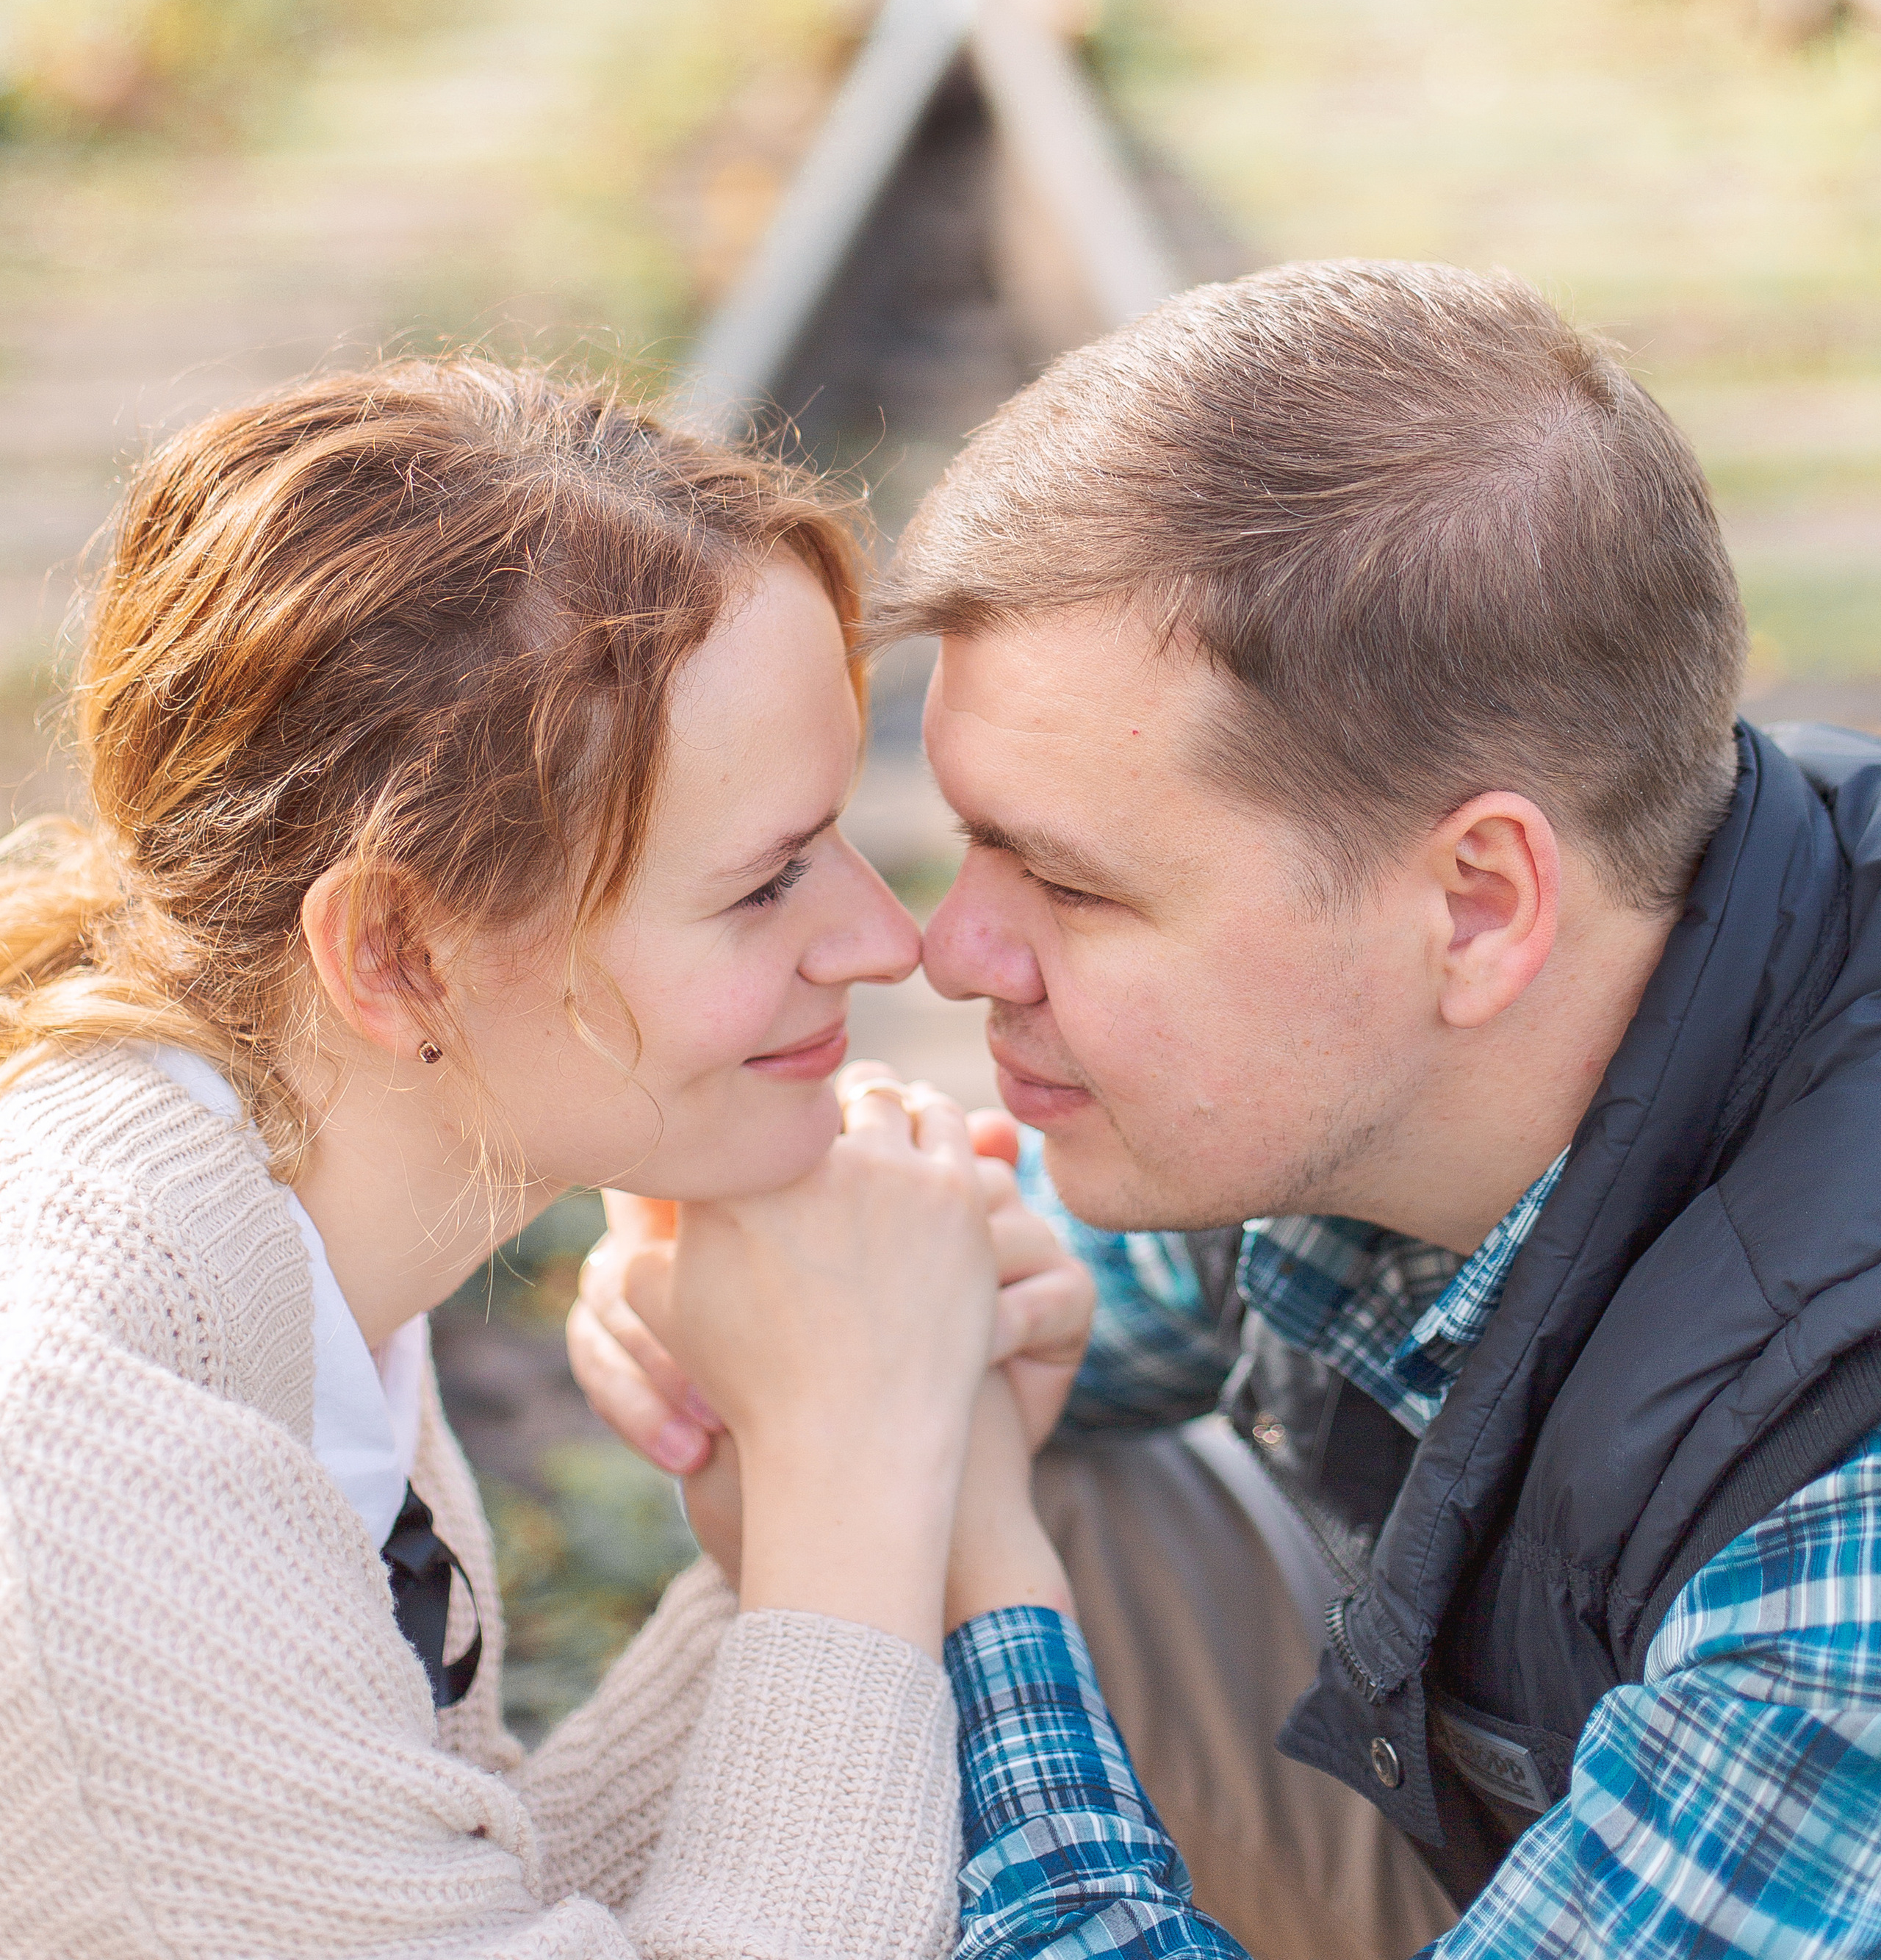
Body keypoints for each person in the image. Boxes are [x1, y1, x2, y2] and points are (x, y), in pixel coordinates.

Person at [574, 259, 1881, 1960]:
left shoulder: (1838, 1531)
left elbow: (941, 1491)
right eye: (970, 844)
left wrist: (964, 1558)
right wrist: (822, 1295)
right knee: (975, 1461)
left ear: (1477, 904)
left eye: (1066, 882)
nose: (946, 951)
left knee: (945, 1519)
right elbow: (971, 1314)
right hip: (1532, 1796)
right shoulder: (1473, 1031)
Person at [0, 353, 1101, 1960]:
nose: (883, 939)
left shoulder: (257, 1244)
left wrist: (789, 1523)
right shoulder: (101, 1469)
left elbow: (448, 1902)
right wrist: (857, 1457)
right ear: (397, 955)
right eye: (760, 885)